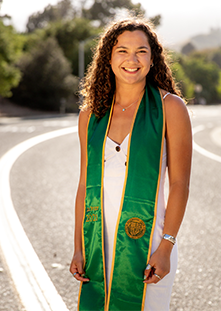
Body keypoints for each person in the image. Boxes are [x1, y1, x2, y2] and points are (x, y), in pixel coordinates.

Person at [70, 17, 192, 311]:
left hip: (149, 243)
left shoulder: (169, 108)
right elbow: (85, 184)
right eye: (122, 51)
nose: (132, 59)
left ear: (153, 59)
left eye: (141, 51)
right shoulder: (91, 115)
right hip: (97, 240)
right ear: (108, 58)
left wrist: (166, 246)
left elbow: (179, 184)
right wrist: (78, 247)